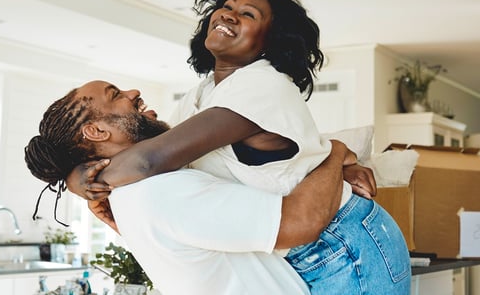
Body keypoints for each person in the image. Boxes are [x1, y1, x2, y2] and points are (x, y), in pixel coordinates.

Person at [66, 0, 410, 295]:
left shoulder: (263, 85)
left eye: (248, 14)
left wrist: (79, 178)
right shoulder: (201, 96)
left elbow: (147, 160)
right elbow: (161, 168)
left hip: (342, 245)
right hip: (298, 247)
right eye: (227, 7)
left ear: (270, 42)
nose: (229, 16)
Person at [25, 80, 358, 295]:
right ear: (97, 132)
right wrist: (337, 152)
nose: (133, 91)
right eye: (115, 96)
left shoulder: (131, 193)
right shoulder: (163, 191)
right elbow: (300, 223)